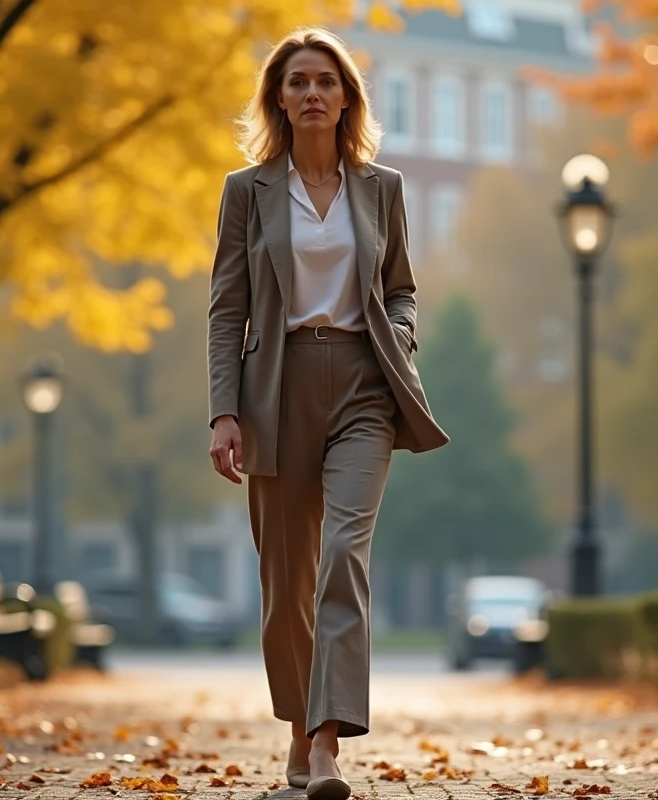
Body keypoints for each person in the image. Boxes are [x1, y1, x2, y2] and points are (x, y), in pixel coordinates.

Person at [206, 26, 449, 800]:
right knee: (286, 580)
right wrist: (223, 413)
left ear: (347, 98)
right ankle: (297, 727)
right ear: (279, 98)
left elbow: (402, 284)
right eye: (298, 81)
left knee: (344, 552)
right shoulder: (247, 192)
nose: (312, 93)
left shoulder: (383, 188)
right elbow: (226, 309)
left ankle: (326, 745)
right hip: (272, 386)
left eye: (326, 81)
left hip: (363, 385)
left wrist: (401, 334)